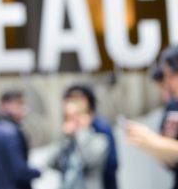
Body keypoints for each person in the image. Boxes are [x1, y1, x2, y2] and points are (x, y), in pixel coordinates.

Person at [127, 46, 178, 189]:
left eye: (172, 75)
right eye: (165, 76)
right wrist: (147, 144)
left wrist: (154, 142)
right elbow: (169, 158)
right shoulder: (172, 106)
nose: (167, 83)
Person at [0, 90, 41, 189]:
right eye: (19, 104)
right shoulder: (11, 133)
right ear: (4, 106)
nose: (23, 109)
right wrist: (38, 172)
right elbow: (20, 170)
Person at [62, 84, 118, 189]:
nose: (73, 105)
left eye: (77, 100)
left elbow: (110, 164)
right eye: (70, 100)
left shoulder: (100, 127)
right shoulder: (71, 128)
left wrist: (82, 131)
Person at [47, 99, 109, 189]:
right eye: (68, 117)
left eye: (76, 116)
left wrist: (81, 130)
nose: (72, 121)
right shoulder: (68, 142)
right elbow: (51, 163)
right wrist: (64, 138)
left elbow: (89, 160)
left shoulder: (100, 140)